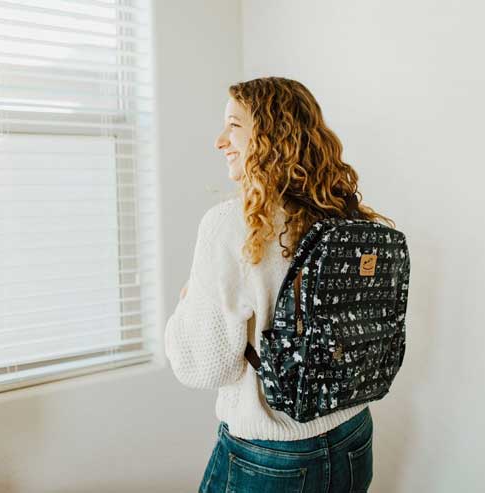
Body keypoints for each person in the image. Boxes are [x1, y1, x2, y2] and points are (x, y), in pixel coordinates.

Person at [164, 76, 396, 493]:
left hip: (272, 456)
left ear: (272, 135)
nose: (220, 140)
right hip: (354, 437)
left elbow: (205, 365)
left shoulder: (228, 224)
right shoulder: (349, 218)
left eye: (233, 125)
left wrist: (186, 305)